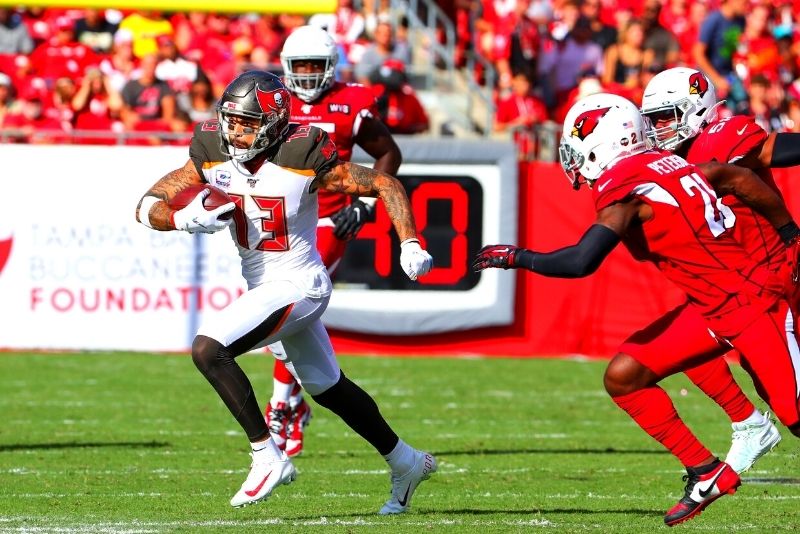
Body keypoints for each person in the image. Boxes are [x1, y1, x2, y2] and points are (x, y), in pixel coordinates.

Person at [473, 92, 800, 526]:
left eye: (577, 147)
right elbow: (732, 176)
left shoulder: (625, 186)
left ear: (604, 141)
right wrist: (787, 226)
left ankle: (748, 431)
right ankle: (705, 470)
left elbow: (580, 262)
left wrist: (517, 257)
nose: (573, 160)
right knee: (625, 376)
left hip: (750, 304)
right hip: (710, 308)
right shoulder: (664, 163)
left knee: (794, 413)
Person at [134, 70, 436, 511]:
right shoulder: (212, 147)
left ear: (274, 123)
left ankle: (266, 455)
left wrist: (410, 241)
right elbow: (146, 205)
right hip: (263, 282)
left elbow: (385, 182)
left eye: (248, 123)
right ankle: (406, 460)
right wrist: (181, 219)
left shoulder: (303, 151)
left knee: (208, 348)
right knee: (328, 387)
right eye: (231, 121)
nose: (236, 132)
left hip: (299, 281)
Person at [263, 24, 403, 457]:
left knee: (289, 308)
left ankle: (283, 405)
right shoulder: (273, 100)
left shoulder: (351, 102)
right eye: (299, 65)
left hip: (327, 218)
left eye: (314, 65)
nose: (306, 74)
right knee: (273, 311)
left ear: (331, 68)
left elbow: (388, 152)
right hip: (280, 217)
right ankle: (293, 403)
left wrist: (364, 204)